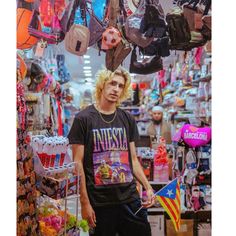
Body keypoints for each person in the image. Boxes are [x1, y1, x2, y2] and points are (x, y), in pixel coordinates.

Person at [68, 67, 155, 236]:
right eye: (112, 83)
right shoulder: (83, 119)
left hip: (130, 199)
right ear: (102, 85)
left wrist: (147, 187)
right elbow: (77, 165)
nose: (116, 89)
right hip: (100, 203)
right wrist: (84, 202)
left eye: (121, 86)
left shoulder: (127, 119)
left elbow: (133, 160)